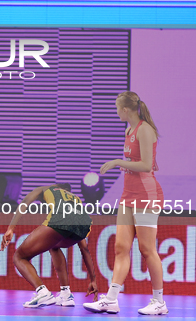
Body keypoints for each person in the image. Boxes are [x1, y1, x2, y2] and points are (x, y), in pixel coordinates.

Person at [84, 91, 167, 315]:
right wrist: (126, 163)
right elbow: (134, 162)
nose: (116, 111)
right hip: (128, 195)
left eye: (117, 108)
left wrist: (117, 161)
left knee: (147, 249)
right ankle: (111, 299)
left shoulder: (145, 130)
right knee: (121, 247)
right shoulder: (128, 129)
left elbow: (147, 165)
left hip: (147, 195)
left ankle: (159, 302)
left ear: (126, 110)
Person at [1, 183, 98, 308]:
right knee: (54, 245)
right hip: (84, 225)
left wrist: (11, 228)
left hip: (60, 220)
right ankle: (66, 294)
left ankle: (42, 293)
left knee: (19, 257)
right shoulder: (75, 199)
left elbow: (26, 201)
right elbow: (84, 248)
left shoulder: (45, 189)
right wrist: (93, 280)